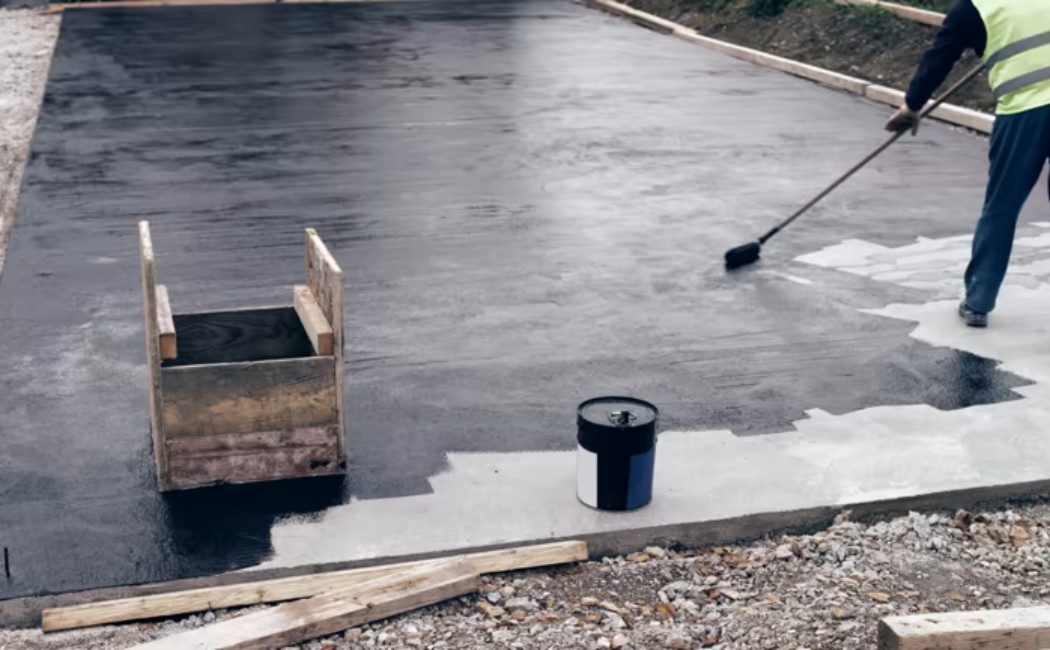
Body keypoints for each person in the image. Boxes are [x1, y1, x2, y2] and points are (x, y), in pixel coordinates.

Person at [885, 0, 1050, 328]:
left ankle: (979, 301)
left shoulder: (972, 10)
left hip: (1024, 114)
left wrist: (911, 106)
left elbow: (938, 59)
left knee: (1002, 206)